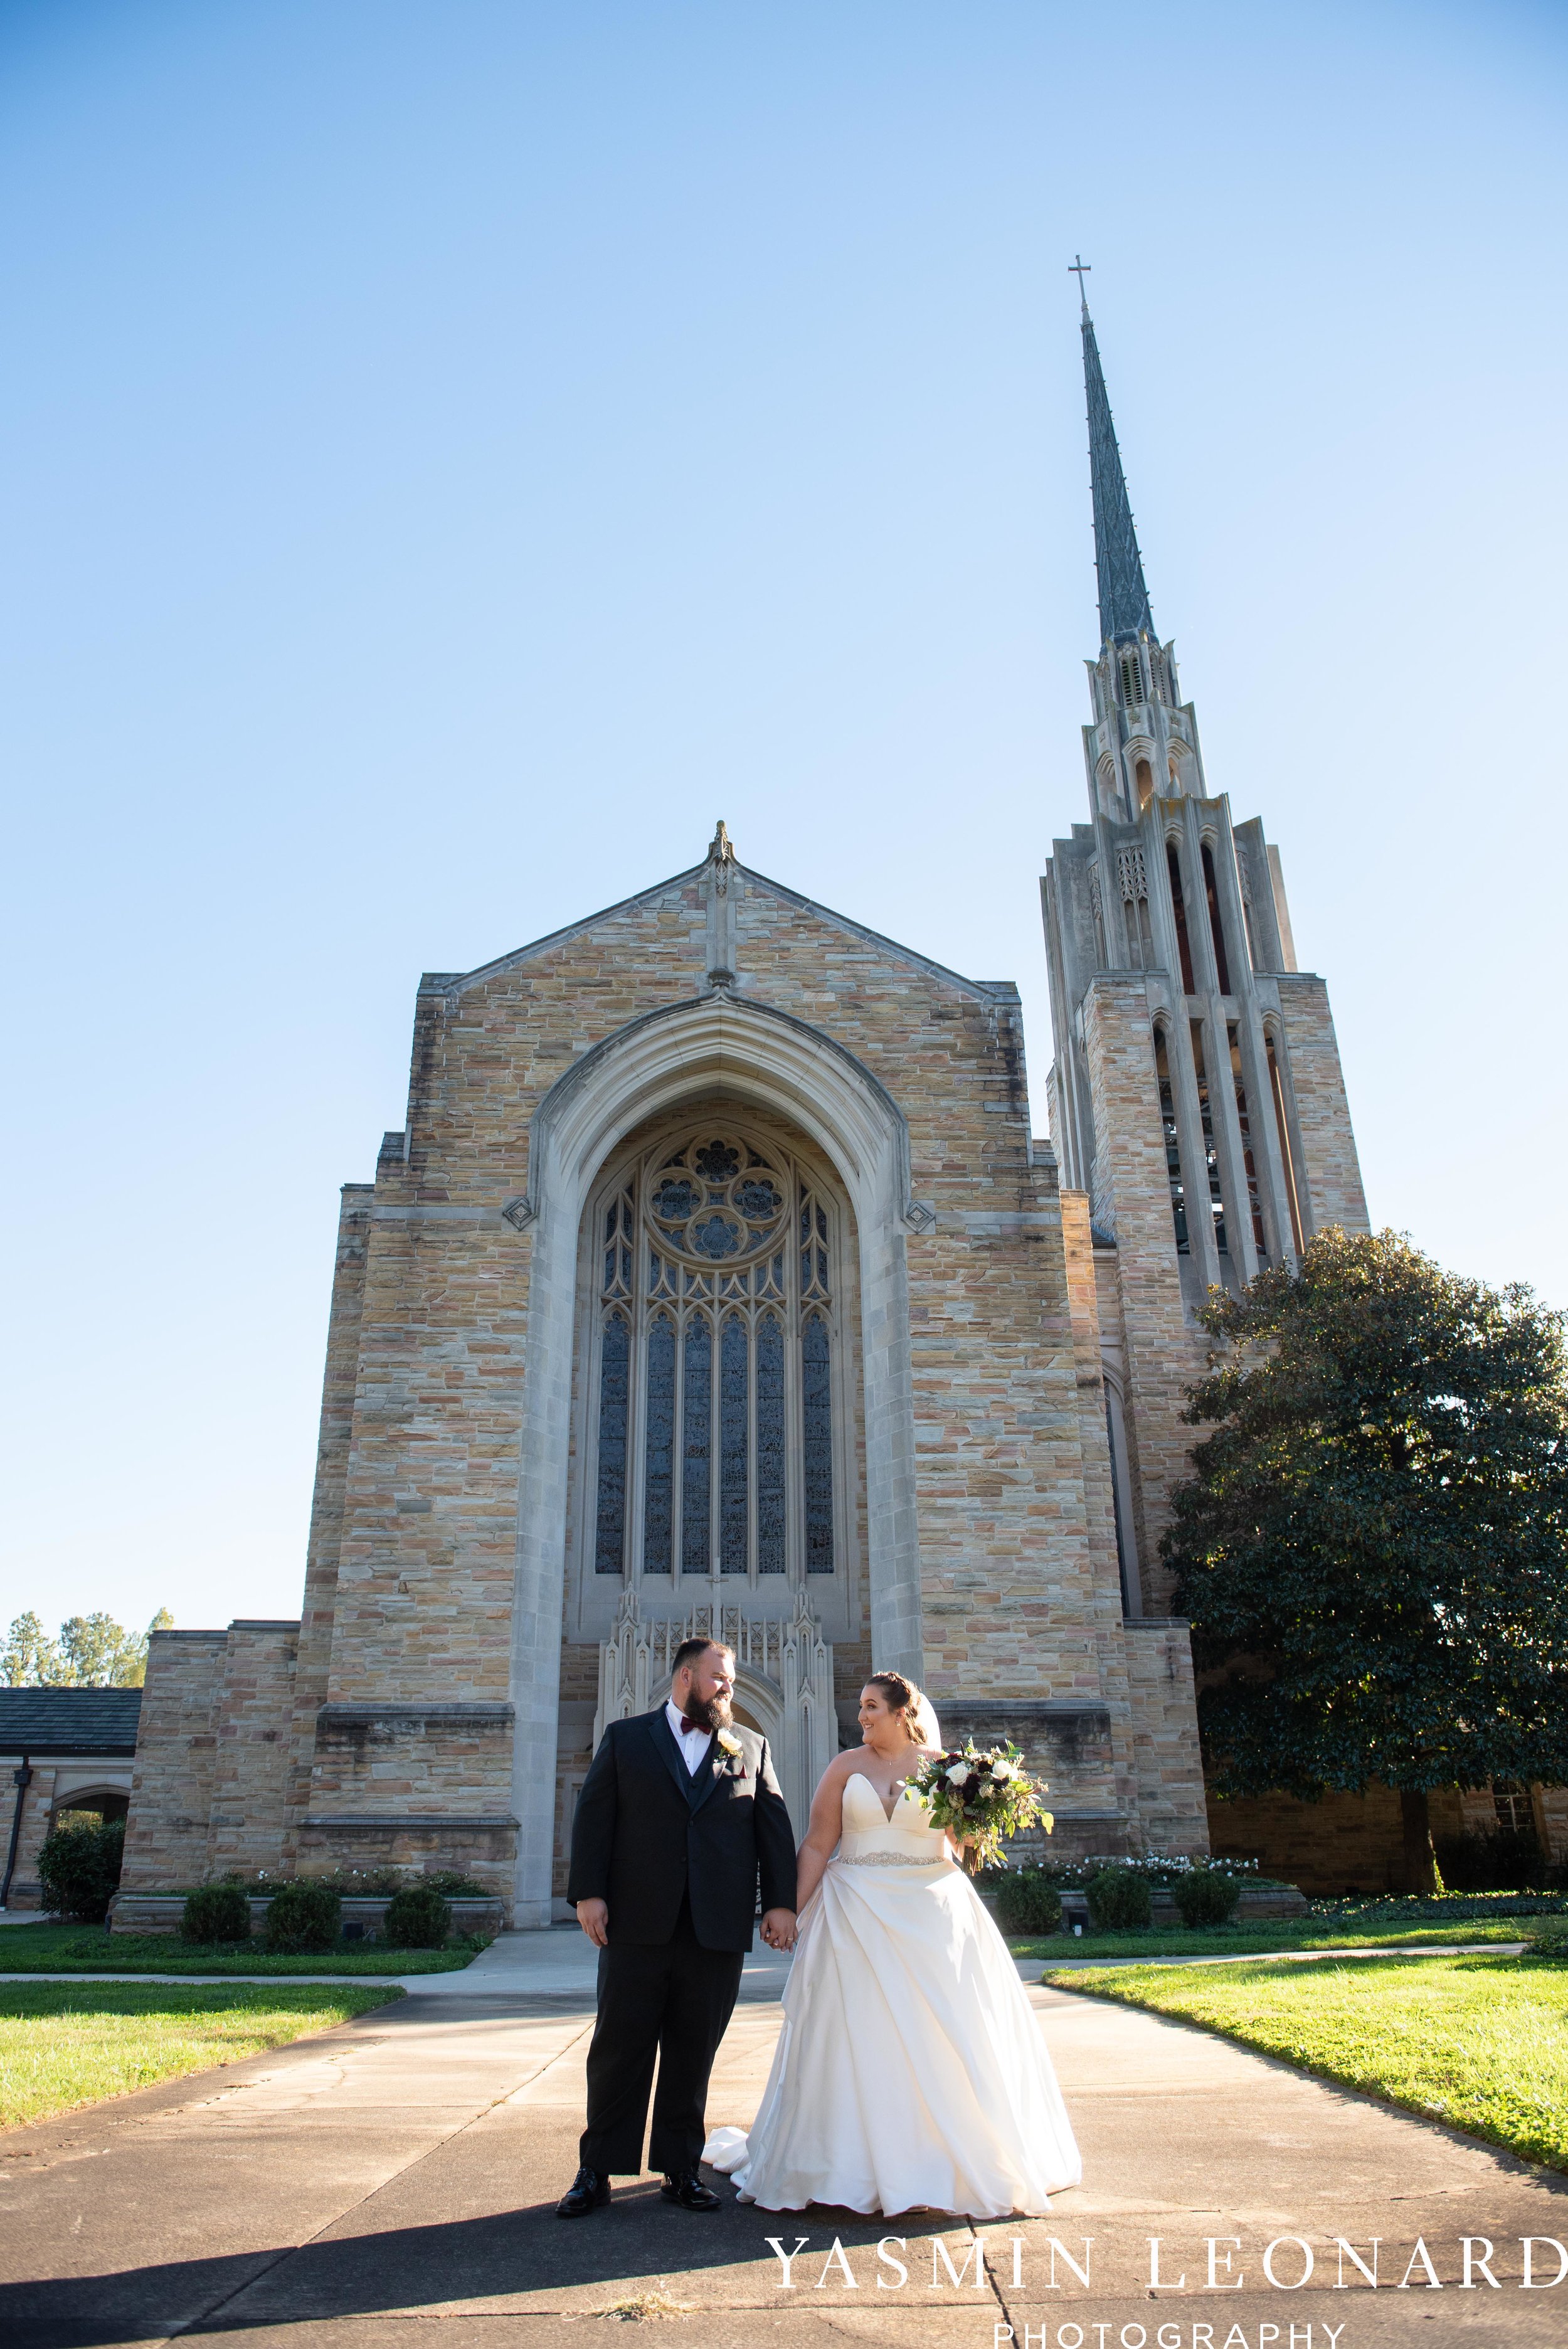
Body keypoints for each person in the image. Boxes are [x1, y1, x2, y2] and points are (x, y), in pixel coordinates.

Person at [704, 1670, 1082, 2217]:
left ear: (903, 1713)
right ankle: (842, 2162)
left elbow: (962, 1844)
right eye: (861, 1706)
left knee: (940, 2033)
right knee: (857, 2033)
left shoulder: (946, 1768)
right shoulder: (844, 1767)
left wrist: (984, 1810)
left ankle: (938, 2159)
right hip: (852, 1908)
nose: (861, 1716)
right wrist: (786, 1909)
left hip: (931, 1910)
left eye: (872, 1706)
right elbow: (817, 1843)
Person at [557, 1636, 798, 2218]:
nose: (728, 1688)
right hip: (636, 1922)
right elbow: (594, 1818)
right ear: (686, 1676)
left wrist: (780, 1903)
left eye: (732, 1681)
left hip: (715, 1928)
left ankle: (681, 2168)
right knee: (619, 2049)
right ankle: (596, 2171)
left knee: (694, 2052)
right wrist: (589, 1893)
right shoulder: (626, 1739)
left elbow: (772, 1829)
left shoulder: (750, 1748)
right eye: (720, 1678)